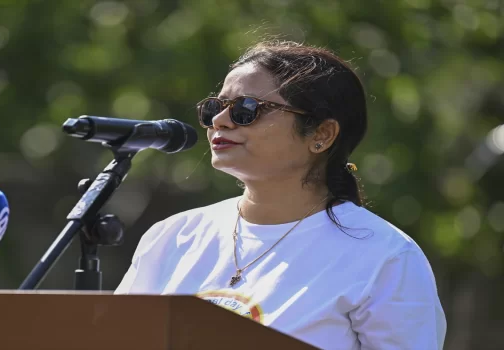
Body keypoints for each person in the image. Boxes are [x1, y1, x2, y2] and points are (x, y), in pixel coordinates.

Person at [115, 41, 446, 349]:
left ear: (321, 134)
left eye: (246, 109)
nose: (219, 121)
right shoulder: (172, 237)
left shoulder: (384, 257)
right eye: (215, 106)